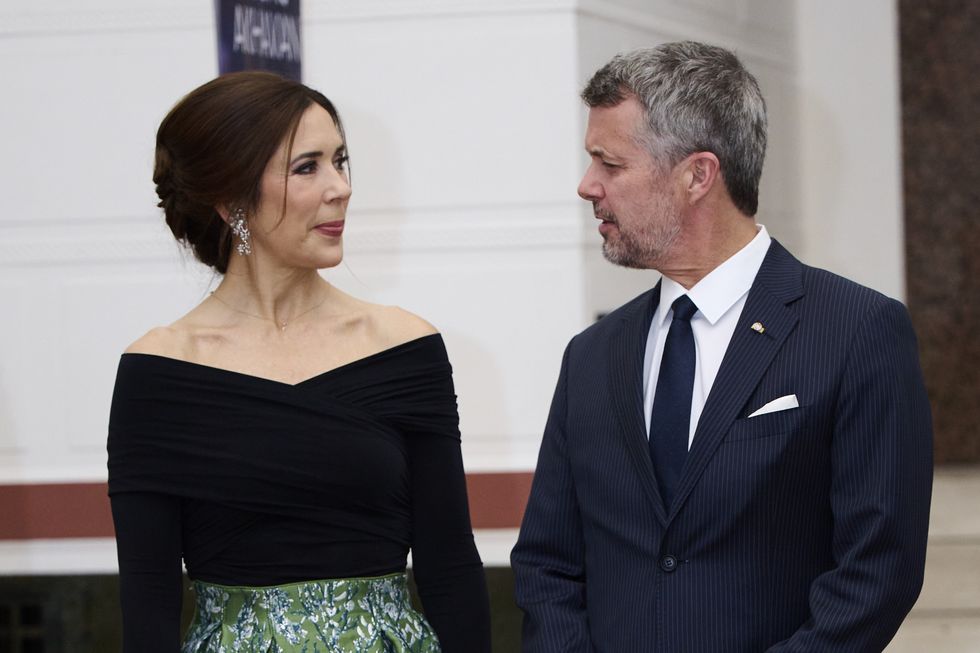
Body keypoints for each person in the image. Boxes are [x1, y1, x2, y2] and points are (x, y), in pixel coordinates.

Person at [511, 41, 933, 652]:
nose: (587, 186)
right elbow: (548, 563)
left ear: (697, 175)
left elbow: (878, 570)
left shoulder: (858, 331)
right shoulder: (592, 356)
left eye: (610, 164)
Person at [107, 71, 491, 653]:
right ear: (232, 197)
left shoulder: (404, 345)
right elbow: (148, 597)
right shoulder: (158, 371)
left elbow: (450, 565)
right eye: (307, 167)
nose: (341, 188)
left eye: (340, 161)